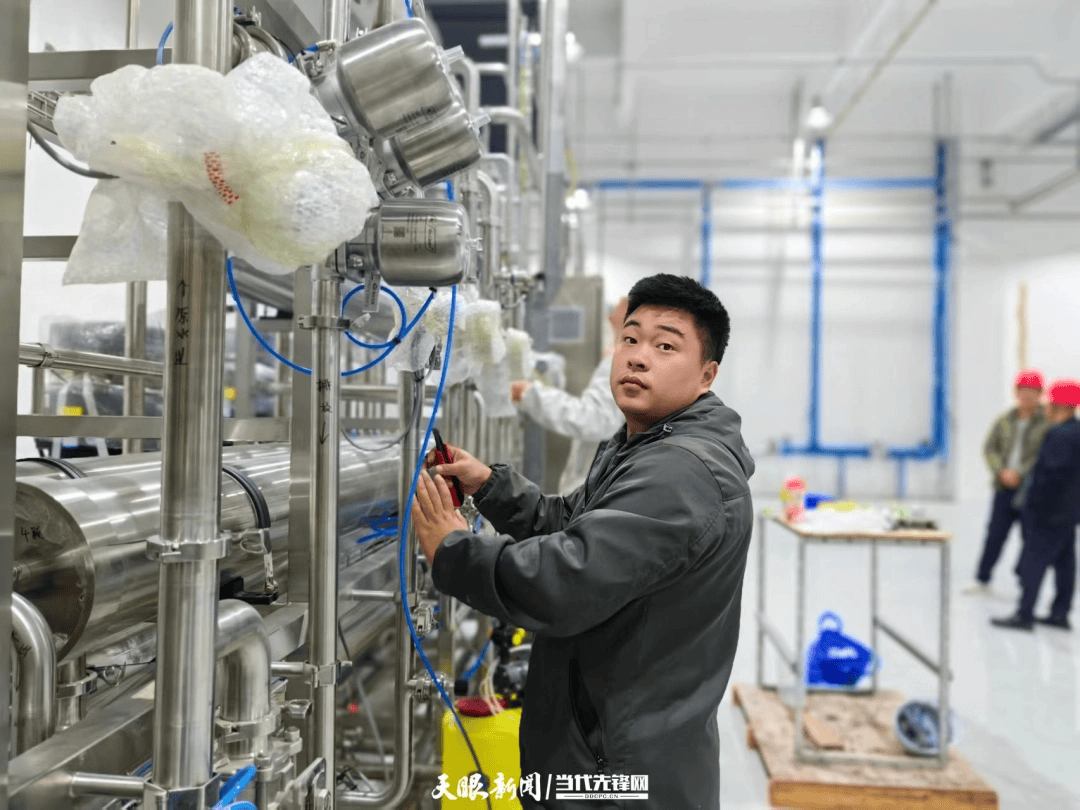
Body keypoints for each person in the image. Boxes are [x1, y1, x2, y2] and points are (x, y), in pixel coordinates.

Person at [412, 274, 754, 809]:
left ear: (707, 374)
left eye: (665, 346)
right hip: (614, 746)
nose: (638, 356)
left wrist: (454, 551)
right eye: (630, 338)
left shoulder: (680, 473)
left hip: (617, 777)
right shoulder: (644, 445)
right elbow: (574, 524)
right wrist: (492, 487)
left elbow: (565, 582)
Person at [510, 297, 628, 492]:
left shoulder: (622, 362)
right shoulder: (624, 359)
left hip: (599, 489)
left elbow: (594, 419)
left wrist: (530, 395)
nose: (611, 313)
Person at [992, 378, 1080, 631]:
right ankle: (1060, 613)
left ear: (1059, 407)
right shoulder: (1077, 432)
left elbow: (1048, 477)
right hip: (1069, 512)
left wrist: (1031, 508)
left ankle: (1024, 614)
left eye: (1049, 403)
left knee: (1033, 561)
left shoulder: (1058, 435)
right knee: (1065, 564)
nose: (1046, 408)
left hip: (1048, 513)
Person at [963, 369, 1050, 595]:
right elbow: (989, 448)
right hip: (1003, 487)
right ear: (1016, 392)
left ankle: (1025, 582)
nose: (1027, 395)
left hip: (1031, 490)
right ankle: (982, 578)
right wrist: (1000, 471)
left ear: (1040, 394)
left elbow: (1041, 454)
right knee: (995, 534)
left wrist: (1019, 473)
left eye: (1032, 391)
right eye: (1023, 391)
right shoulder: (1005, 420)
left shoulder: (1047, 423)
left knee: (1030, 537)